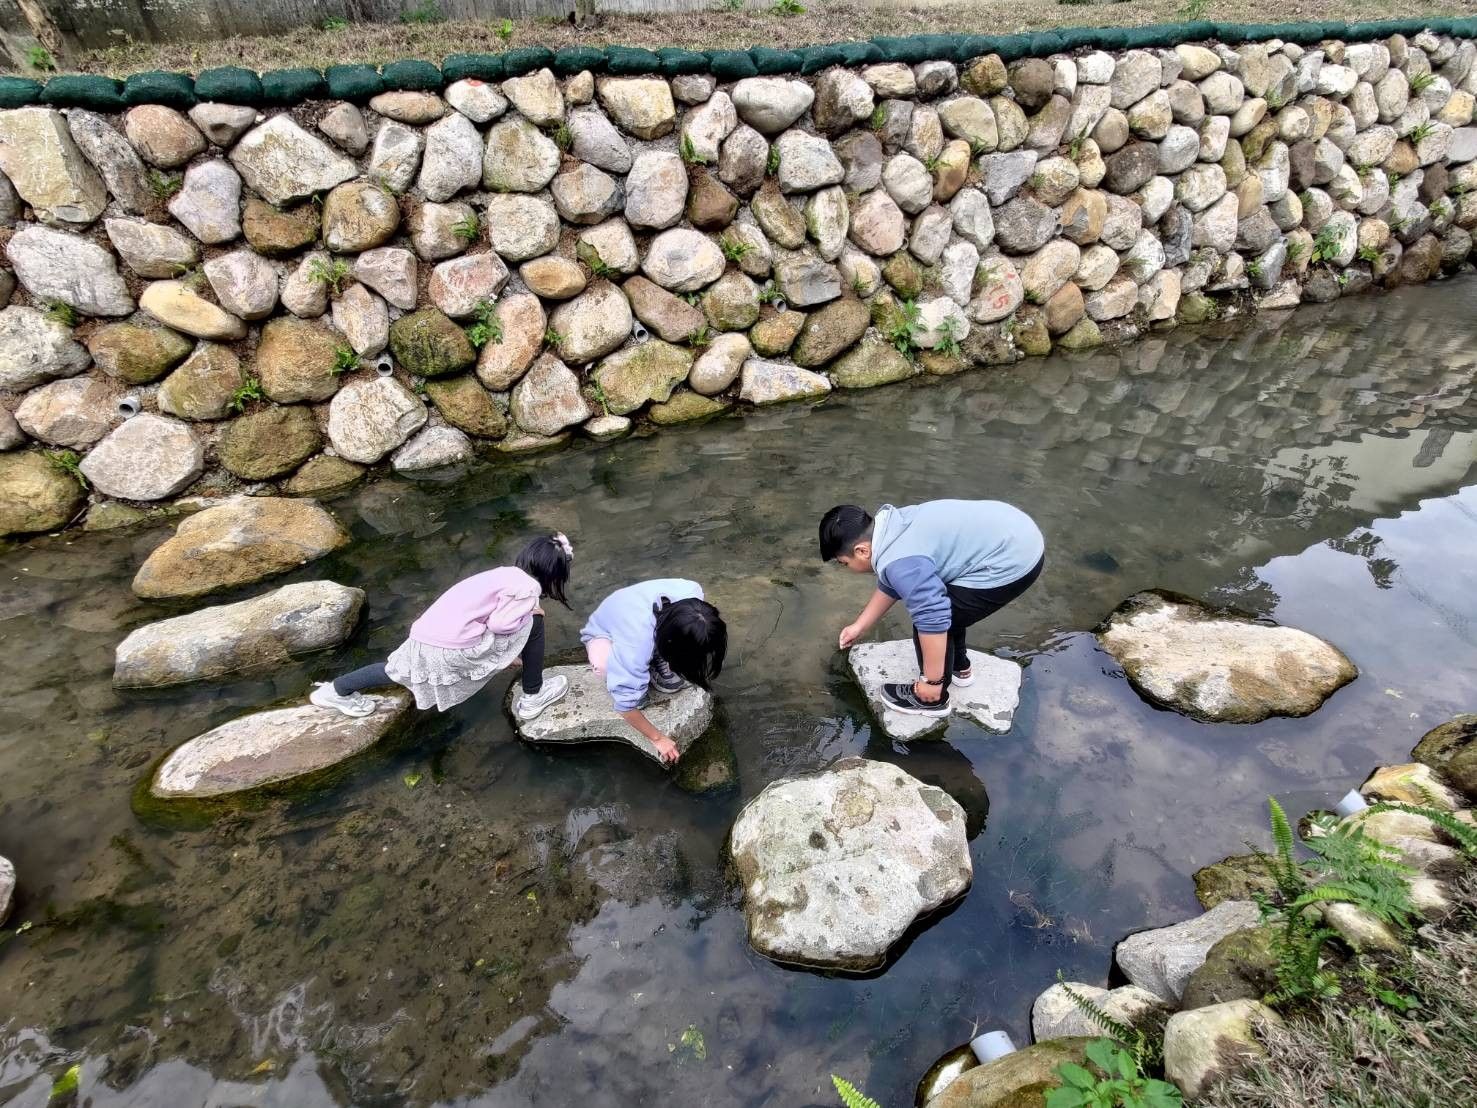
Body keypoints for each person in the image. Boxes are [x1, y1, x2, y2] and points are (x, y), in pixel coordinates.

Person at [310, 533, 575, 721]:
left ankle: (334, 691)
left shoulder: (502, 573)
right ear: (554, 574)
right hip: (454, 649)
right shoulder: (529, 588)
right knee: (535, 621)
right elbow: (501, 624)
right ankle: (533, 695)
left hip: (426, 637)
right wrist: (529, 611)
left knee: (396, 670)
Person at [818, 500, 1045, 718]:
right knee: (949, 606)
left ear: (861, 551)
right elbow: (894, 580)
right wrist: (860, 626)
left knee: (930, 622)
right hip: (1016, 530)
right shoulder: (891, 526)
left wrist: (932, 682)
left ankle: (932, 698)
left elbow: (933, 619)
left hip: (1014, 560)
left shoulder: (900, 562)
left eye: (843, 563)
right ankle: (960, 668)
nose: (846, 569)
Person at [580, 579, 727, 765]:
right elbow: (625, 707)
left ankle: (657, 655)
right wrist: (657, 738)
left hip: (635, 612)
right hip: (605, 633)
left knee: (672, 683)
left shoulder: (693, 594)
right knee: (616, 677)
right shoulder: (634, 648)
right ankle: (631, 672)